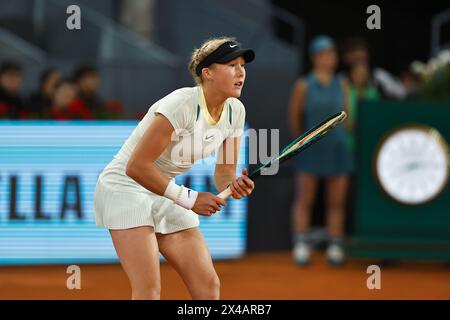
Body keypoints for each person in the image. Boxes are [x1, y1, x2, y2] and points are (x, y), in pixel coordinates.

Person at [94, 37, 255, 300]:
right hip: (124, 187)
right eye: (231, 65)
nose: (240, 72)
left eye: (242, 65)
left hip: (162, 190)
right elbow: (136, 167)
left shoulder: (235, 111)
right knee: (148, 291)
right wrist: (191, 199)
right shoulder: (181, 104)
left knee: (208, 285)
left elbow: (224, 174)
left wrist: (234, 186)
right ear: (208, 73)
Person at [289, 35, 353, 266]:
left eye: (332, 54)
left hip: (337, 149)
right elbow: (295, 118)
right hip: (311, 151)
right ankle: (301, 244)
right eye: (325, 54)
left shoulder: (342, 83)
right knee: (305, 199)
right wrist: (304, 143)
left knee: (336, 202)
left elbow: (346, 116)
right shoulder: (303, 85)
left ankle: (335, 245)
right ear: (315, 58)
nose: (330, 58)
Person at [346, 62, 380, 151]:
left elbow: (376, 114)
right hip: (349, 139)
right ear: (351, 74)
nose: (360, 77)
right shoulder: (346, 92)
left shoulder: (373, 93)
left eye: (363, 74)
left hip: (368, 137)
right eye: (357, 74)